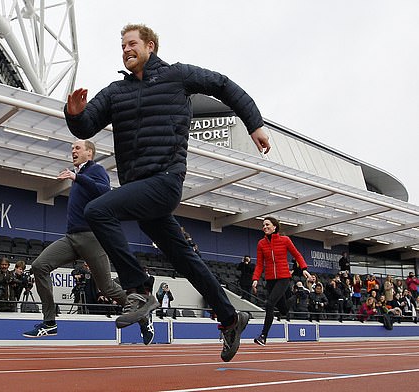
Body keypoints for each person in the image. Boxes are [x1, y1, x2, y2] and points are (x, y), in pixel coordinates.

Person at [64, 23, 269, 362]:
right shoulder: (116, 92)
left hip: (165, 180)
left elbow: (222, 84)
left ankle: (139, 287)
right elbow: (86, 125)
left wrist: (254, 123)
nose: (126, 49)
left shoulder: (177, 76)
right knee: (185, 259)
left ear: (150, 46)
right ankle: (231, 318)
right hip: (139, 188)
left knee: (98, 210)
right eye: (122, 45)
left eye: (132, 44)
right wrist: (73, 114)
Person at [23, 140, 153, 344]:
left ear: (89, 153)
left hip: (92, 237)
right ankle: (49, 323)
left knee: (107, 288)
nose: (73, 151)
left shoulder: (96, 170)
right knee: (39, 266)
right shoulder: (80, 176)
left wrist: (77, 177)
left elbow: (104, 192)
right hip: (71, 238)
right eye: (72, 148)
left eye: (77, 148)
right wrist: (77, 178)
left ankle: (143, 313)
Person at [251, 217, 311, 346]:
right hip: (270, 279)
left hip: (283, 278)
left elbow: (297, 255)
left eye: (267, 224)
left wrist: (304, 269)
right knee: (283, 310)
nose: (265, 227)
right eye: (263, 225)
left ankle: (263, 336)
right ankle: (299, 294)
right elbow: (260, 264)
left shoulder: (285, 240)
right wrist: (255, 279)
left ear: (274, 227)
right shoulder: (261, 243)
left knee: (269, 304)